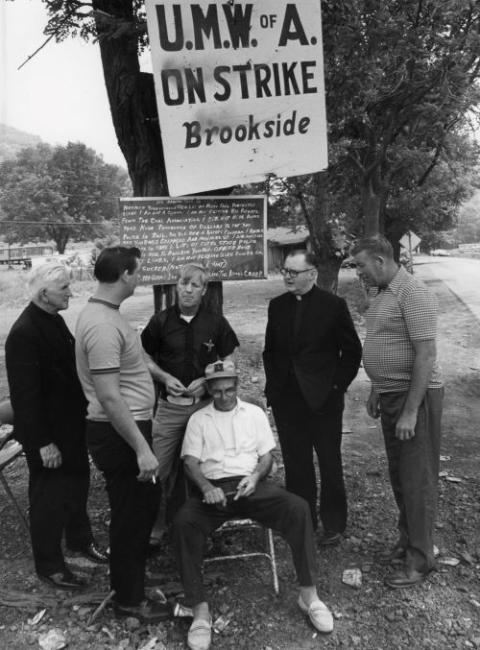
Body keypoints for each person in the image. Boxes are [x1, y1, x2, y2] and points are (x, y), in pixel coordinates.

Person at [174, 360, 333, 650]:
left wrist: (256, 477)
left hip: (251, 484)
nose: (225, 396)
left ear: (237, 386)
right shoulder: (199, 419)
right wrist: (207, 487)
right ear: (209, 390)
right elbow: (190, 463)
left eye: (230, 389)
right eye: (218, 391)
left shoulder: (254, 413)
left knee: (298, 508)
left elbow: (266, 457)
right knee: (184, 520)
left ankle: (309, 595)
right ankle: (199, 610)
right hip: (215, 491)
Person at [75, 246, 169, 622]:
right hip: (119, 432)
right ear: (125, 275)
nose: (140, 277)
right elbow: (110, 396)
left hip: (128, 426)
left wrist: (162, 378)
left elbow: (131, 365)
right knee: (131, 515)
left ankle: (131, 583)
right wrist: (142, 448)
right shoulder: (100, 325)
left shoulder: (107, 314)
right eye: (138, 271)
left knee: (141, 509)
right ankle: (130, 600)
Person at [5, 262, 107, 591]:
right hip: (47, 436)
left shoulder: (54, 320)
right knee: (48, 498)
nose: (70, 293)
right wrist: (42, 443)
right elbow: (25, 399)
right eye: (64, 288)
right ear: (44, 293)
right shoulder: (23, 334)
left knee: (77, 486)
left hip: (71, 427)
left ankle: (80, 542)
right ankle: (49, 565)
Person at [352, 235, 444, 588]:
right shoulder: (380, 294)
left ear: (380, 259)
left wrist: (410, 411)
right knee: (400, 475)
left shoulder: (413, 293)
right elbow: (384, 342)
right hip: (391, 394)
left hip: (414, 398)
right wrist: (377, 387)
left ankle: (421, 561)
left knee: (417, 479)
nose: (358, 273)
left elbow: (425, 355)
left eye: (361, 265)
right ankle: (407, 541)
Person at [263, 250, 362, 543]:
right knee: (296, 463)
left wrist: (335, 388)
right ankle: (302, 521)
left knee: (330, 462)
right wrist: (275, 388)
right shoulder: (276, 306)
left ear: (312, 274)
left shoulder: (333, 305)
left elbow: (352, 351)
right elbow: (271, 351)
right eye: (285, 271)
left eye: (294, 272)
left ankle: (334, 525)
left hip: (324, 400)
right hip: (287, 400)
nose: (287, 277)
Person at [141, 263, 239, 542]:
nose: (187, 289)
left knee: (204, 466)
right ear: (176, 286)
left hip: (204, 408)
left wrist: (208, 380)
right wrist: (162, 376)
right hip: (170, 408)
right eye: (183, 283)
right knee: (157, 468)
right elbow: (144, 357)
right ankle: (155, 526)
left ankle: (203, 527)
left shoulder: (216, 323)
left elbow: (230, 358)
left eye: (195, 285)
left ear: (204, 290)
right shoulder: (160, 321)